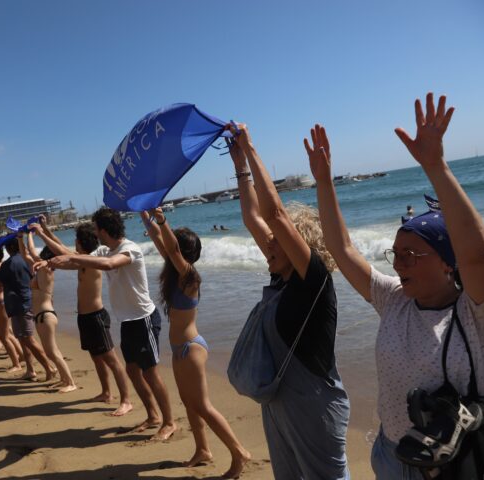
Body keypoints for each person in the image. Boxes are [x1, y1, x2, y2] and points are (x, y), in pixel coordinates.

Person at [306, 93, 484, 478]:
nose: (399, 262)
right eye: (396, 253)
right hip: (391, 453)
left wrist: (436, 166)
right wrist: (324, 182)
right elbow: (342, 248)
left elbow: (477, 255)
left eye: (412, 255)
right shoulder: (394, 298)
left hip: (452, 464)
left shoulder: (474, 310)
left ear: (446, 262)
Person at [227, 122, 350, 479]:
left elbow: (274, 215)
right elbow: (254, 218)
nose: (268, 243)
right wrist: (240, 166)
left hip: (315, 406)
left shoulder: (313, 282)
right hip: (279, 403)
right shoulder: (280, 280)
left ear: (302, 244)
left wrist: (251, 147)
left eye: (277, 240)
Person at [48, 207, 176, 441]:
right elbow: (77, 262)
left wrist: (71, 257)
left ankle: (169, 422)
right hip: (127, 320)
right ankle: (153, 416)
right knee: (132, 370)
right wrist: (52, 261)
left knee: (150, 373)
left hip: (143, 318)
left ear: (104, 230)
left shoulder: (130, 249)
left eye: (96, 229)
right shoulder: (106, 249)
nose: (95, 233)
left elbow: (109, 265)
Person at [143, 207, 251, 478]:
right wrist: (145, 215)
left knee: (202, 405)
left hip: (192, 349)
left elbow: (172, 249)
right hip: (180, 349)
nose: (169, 251)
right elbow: (161, 241)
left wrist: (163, 219)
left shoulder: (190, 276)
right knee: (188, 402)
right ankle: (203, 449)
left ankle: (239, 452)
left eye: (174, 247)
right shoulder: (174, 272)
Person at [31, 217, 132, 414]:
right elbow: (61, 248)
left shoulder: (93, 261)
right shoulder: (81, 259)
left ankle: (126, 400)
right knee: (96, 357)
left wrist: (41, 234)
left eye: (76, 239)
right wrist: (44, 229)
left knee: (111, 360)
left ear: (80, 242)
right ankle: (106, 392)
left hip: (96, 317)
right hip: (85, 317)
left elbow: (62, 251)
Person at [18, 230, 77, 393]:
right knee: (50, 351)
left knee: (52, 351)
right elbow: (25, 254)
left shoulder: (47, 269)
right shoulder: (40, 270)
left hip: (46, 315)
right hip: (41, 316)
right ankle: (64, 379)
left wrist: (29, 233)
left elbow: (30, 251)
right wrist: (18, 238)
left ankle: (71, 382)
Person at [0, 237, 56, 382]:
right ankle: (30, 370)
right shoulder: (24, 260)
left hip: (20, 305)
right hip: (24, 302)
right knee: (23, 339)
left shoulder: (10, 263)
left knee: (28, 339)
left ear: (9, 248)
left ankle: (49, 368)